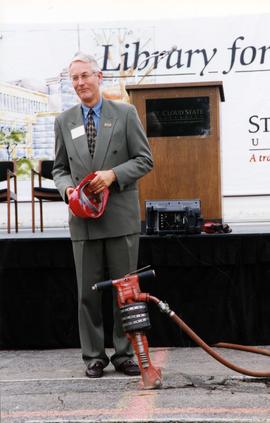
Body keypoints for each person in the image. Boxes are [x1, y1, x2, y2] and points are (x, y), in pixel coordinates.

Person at [52, 52, 153, 378]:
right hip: (83, 221)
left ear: (99, 77)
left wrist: (112, 175)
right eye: (75, 78)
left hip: (120, 219)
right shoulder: (64, 120)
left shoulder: (124, 114)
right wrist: (67, 190)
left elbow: (144, 160)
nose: (80, 83)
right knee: (87, 294)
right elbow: (59, 169)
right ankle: (93, 356)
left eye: (85, 76)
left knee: (125, 292)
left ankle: (124, 354)